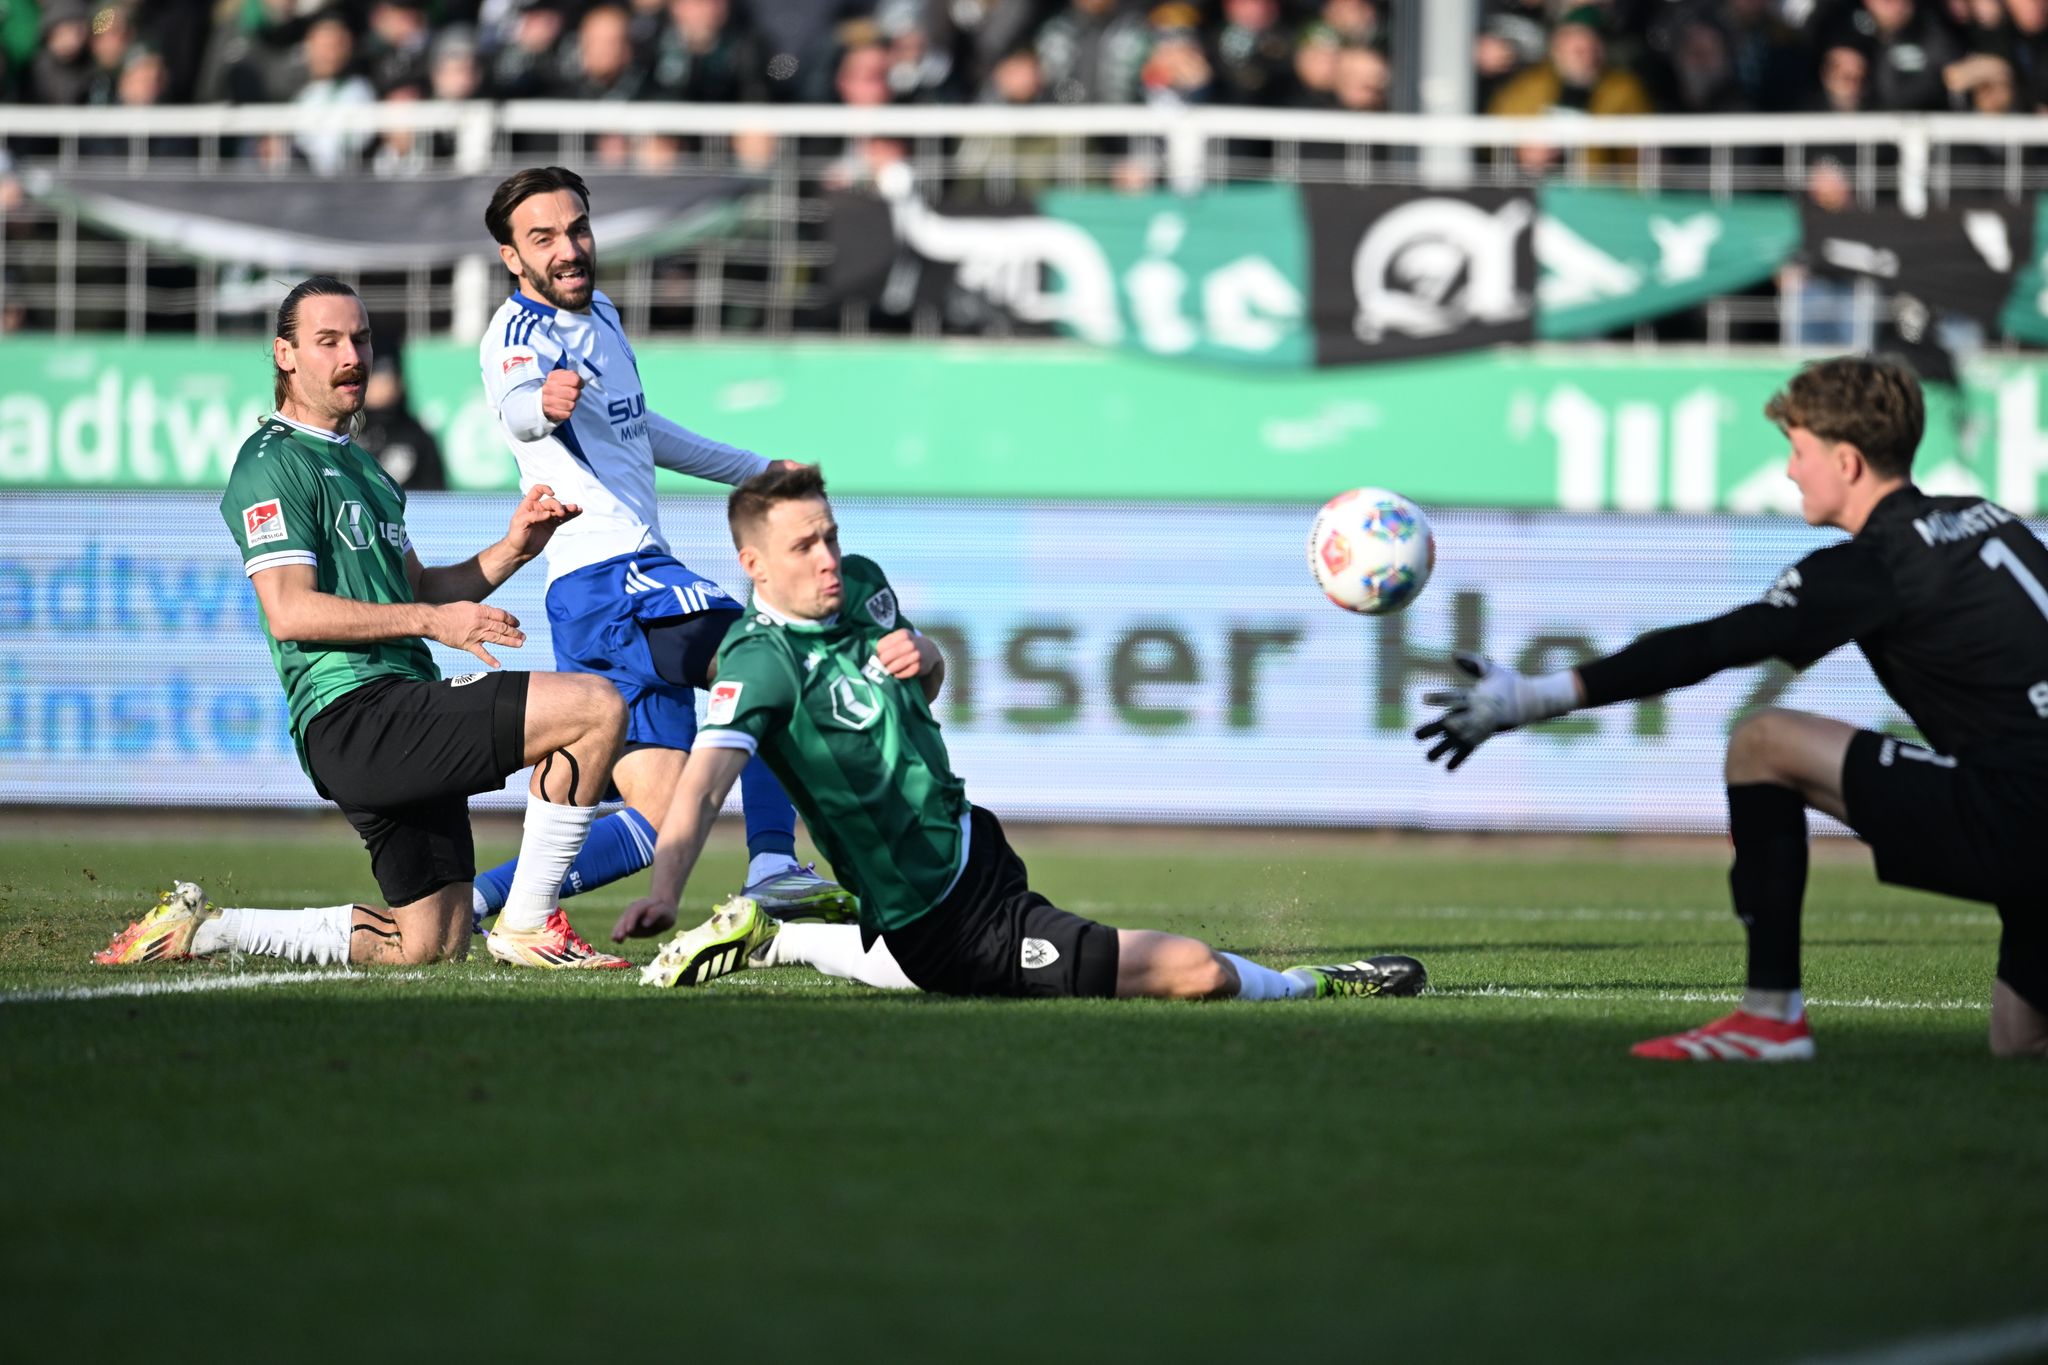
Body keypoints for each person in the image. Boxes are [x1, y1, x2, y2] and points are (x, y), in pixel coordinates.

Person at [1415, 356, 2048, 1061]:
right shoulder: (1989, 520)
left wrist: (1535, 696)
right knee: (2020, 1047)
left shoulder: (1875, 563)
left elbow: (1712, 645)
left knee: (1763, 741)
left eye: (1797, 450)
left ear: (1845, 461)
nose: (1788, 470)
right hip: (2029, 805)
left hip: (2023, 813)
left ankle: (1769, 1016)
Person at [611, 465, 1429, 1005]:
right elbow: (705, 784)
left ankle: (782, 937)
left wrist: (928, 658)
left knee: (903, 952)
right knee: (1196, 972)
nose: (828, 556)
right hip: (947, 921)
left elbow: (923, 691)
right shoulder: (757, 664)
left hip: (974, 842)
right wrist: (664, 890)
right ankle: (1311, 985)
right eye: (804, 546)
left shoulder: (862, 585)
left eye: (829, 533)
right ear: (754, 566)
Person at [96, 276, 634, 972]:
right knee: (596, 708)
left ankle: (206, 931)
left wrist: (513, 549)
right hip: (356, 711)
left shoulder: (366, 470)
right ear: (285, 355)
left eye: (361, 339)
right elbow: (291, 610)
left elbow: (418, 587)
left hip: (397, 704)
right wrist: (433, 622)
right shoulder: (273, 464)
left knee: (429, 944)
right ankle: (530, 924)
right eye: (329, 341)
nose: (352, 355)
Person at [472, 166, 853, 937]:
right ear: (512, 257)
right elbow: (516, 405)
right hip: (615, 577)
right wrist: (538, 409)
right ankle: (774, 864)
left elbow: (639, 428)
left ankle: (477, 901)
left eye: (576, 229)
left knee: (658, 815)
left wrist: (753, 470)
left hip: (595, 599)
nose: (569, 249)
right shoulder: (518, 335)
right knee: (766, 655)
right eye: (543, 238)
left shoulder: (602, 311)